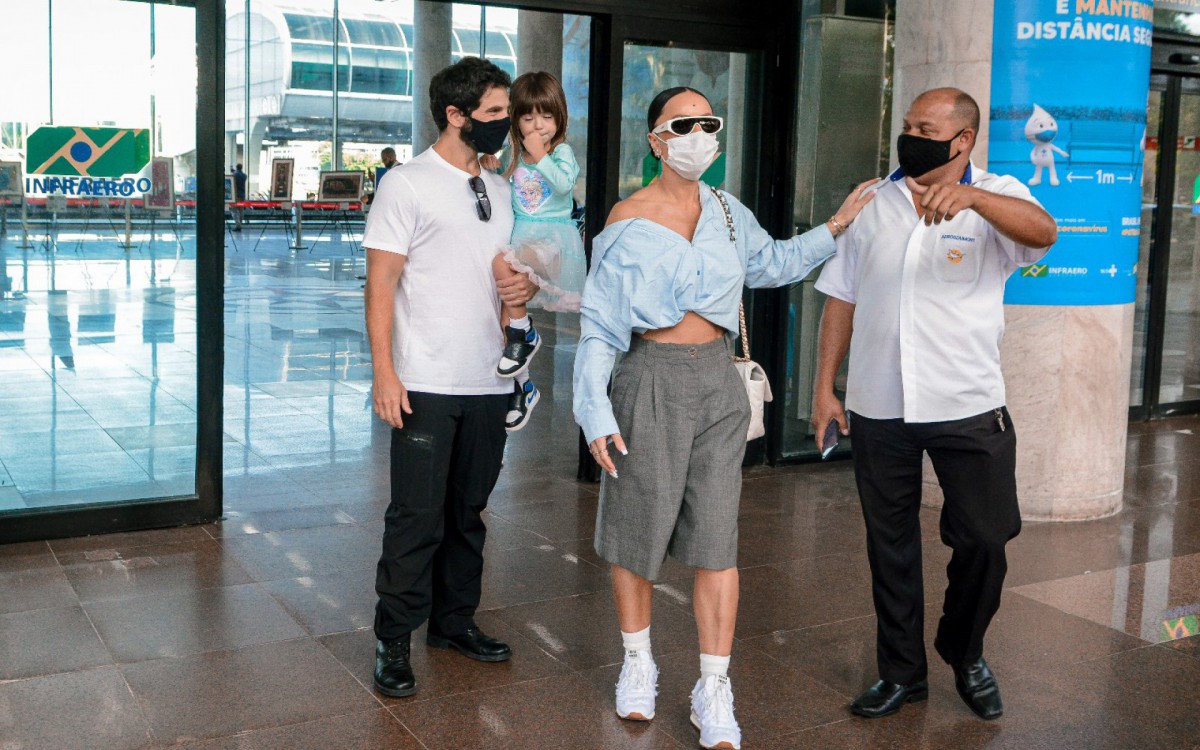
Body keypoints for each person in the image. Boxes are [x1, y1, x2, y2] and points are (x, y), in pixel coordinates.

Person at [573, 85, 876, 750]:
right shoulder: (627, 220)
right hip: (649, 376)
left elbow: (774, 265)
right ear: (655, 140)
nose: (700, 134)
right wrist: (593, 410)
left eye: (709, 122)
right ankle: (638, 662)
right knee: (637, 529)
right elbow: (599, 327)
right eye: (684, 124)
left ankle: (713, 685)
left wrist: (837, 225)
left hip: (718, 380)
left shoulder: (728, 212)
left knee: (717, 540)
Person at [811, 88, 1058, 721]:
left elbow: (1044, 233)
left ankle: (964, 648)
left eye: (926, 127)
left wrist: (974, 198)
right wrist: (824, 388)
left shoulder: (999, 194)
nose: (911, 135)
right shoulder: (872, 200)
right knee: (888, 544)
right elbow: (841, 296)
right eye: (908, 125)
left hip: (968, 401)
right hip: (878, 401)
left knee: (986, 537)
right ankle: (901, 673)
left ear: (963, 140)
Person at [362, 56, 538, 699]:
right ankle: (393, 640)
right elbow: (380, 285)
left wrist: (522, 287)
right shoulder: (406, 184)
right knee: (417, 516)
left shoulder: (494, 185)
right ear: (455, 115)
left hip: (488, 380)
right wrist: (385, 374)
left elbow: (499, 272)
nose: (505, 125)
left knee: (469, 513)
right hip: (426, 381)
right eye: (493, 114)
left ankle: (453, 623)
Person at [482, 71, 586, 432]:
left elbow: (563, 186)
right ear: (516, 121)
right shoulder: (515, 153)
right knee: (502, 321)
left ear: (559, 118)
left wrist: (541, 154)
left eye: (546, 116)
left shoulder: (561, 152)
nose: (537, 125)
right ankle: (522, 387)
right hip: (525, 237)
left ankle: (525, 332)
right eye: (528, 117)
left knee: (500, 264)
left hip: (553, 241)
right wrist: (491, 165)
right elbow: (506, 190)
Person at [231, 163, 247, 231]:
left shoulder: (235, 174)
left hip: (236, 195)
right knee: (241, 210)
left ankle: (238, 225)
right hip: (242, 195)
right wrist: (235, 171)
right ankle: (240, 224)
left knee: (233, 210)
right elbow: (239, 174)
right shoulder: (244, 175)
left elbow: (234, 177)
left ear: (236, 168)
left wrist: (233, 171)